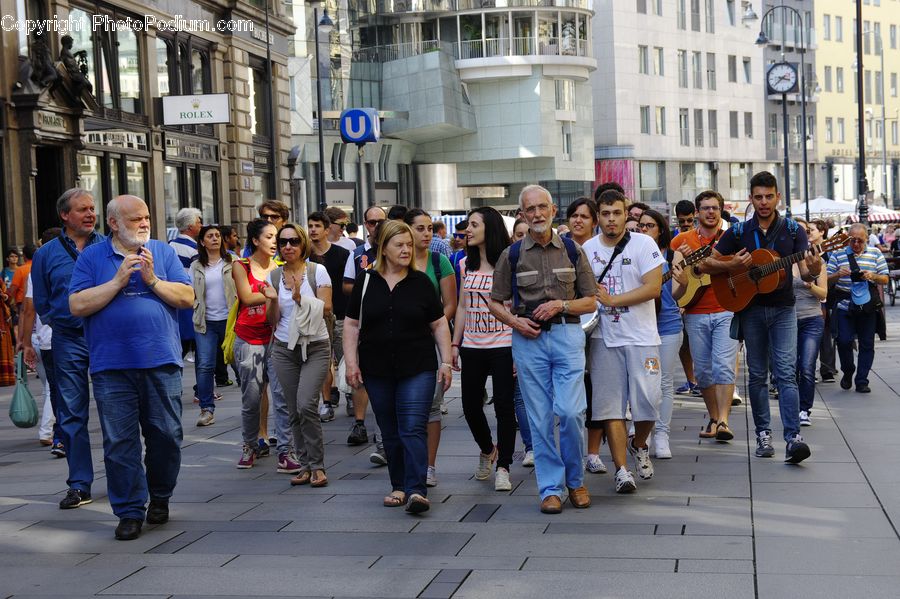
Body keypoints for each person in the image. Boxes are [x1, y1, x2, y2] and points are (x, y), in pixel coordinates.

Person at [68, 195, 193, 540]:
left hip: (161, 361)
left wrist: (152, 279)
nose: (143, 223)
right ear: (113, 223)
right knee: (120, 442)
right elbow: (77, 305)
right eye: (135, 218)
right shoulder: (92, 257)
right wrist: (116, 282)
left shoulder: (163, 252)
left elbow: (187, 298)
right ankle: (129, 511)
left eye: (146, 217)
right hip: (112, 366)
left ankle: (161, 494)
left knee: (167, 436)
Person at [489, 184, 597, 514]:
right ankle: (550, 488)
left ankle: (575, 480)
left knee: (570, 412)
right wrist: (515, 322)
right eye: (529, 209)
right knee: (539, 418)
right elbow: (494, 302)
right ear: (521, 215)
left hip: (566, 335)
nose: (536, 214)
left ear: (552, 210)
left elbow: (591, 299)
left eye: (542, 208)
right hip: (528, 340)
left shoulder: (573, 250)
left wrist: (561, 304)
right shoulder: (513, 255)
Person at [707, 171, 820, 463]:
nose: (764, 202)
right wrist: (733, 262)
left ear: (778, 197)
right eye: (758, 197)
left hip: (784, 308)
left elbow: (806, 273)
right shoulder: (738, 231)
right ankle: (763, 434)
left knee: (786, 373)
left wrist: (815, 267)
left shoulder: (794, 231)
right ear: (751, 198)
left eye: (769, 196)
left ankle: (794, 438)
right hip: (751, 309)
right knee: (756, 374)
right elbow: (708, 262)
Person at [343, 220, 453, 514]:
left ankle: (416, 489)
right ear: (384, 248)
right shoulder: (366, 281)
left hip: (418, 366)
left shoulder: (421, 283)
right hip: (376, 367)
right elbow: (352, 324)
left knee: (413, 426)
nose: (407, 250)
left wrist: (445, 361)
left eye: (409, 244)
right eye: (399, 245)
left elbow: (439, 323)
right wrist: (351, 363)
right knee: (389, 429)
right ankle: (399, 485)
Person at [583, 191, 663, 492]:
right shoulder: (588, 249)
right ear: (598, 216)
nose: (611, 219)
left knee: (650, 402)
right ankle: (622, 471)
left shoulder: (644, 243)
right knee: (609, 408)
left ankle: (639, 443)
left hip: (643, 338)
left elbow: (653, 287)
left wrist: (614, 299)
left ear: (626, 214)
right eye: (605, 213)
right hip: (605, 339)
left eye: (616, 212)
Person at [31, 188, 105, 510]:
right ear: (65, 215)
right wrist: (60, 321)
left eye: (92, 209)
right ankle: (79, 484)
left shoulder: (108, 245)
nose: (90, 214)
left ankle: (120, 478)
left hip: (106, 336)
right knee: (71, 413)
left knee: (115, 409)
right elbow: (43, 301)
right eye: (83, 210)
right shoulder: (47, 254)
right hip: (68, 339)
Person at [451, 207, 516, 491]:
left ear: (489, 228)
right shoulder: (465, 264)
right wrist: (456, 343)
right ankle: (489, 449)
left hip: (504, 344)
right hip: (472, 345)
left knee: (504, 407)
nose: (468, 230)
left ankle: (504, 467)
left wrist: (519, 348)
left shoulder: (510, 262)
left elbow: (517, 307)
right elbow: (464, 305)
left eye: (474, 225)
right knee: (470, 406)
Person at [267, 224, 333, 488]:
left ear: (303, 243)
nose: (288, 246)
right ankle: (305, 465)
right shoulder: (273, 277)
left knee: (306, 404)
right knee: (294, 408)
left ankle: (318, 465)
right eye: (283, 242)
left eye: (294, 241)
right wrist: (272, 301)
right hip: (284, 348)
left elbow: (327, 308)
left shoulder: (318, 272)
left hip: (315, 345)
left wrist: (298, 298)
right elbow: (273, 321)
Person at [671, 191, 739, 444]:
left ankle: (723, 420)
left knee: (723, 366)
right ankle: (713, 417)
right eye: (705, 208)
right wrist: (682, 280)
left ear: (721, 210)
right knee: (703, 371)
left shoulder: (732, 237)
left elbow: (743, 267)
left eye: (715, 208)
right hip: (695, 313)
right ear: (697, 212)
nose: (710, 212)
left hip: (726, 310)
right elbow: (677, 294)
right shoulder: (682, 241)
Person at [232, 218, 297, 473]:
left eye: (277, 238)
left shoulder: (281, 267)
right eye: (270, 237)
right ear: (256, 240)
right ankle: (250, 444)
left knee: (282, 396)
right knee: (252, 397)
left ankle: (286, 451)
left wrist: (277, 295)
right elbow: (246, 298)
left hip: (277, 336)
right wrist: (273, 293)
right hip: (249, 338)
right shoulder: (241, 266)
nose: (276, 243)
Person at [404, 208, 457, 487]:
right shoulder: (399, 260)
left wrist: (435, 324)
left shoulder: (439, 262)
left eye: (429, 229)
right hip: (402, 342)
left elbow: (450, 304)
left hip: (433, 341)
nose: (426, 234)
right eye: (420, 228)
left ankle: (429, 466)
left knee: (432, 406)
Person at [562, 197, 606, 473]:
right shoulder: (560, 247)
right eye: (574, 215)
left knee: (596, 388)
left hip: (599, 324)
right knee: (570, 395)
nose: (578, 220)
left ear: (594, 221)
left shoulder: (601, 249)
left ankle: (593, 452)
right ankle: (570, 450)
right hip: (566, 325)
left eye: (584, 216)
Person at [639, 209, 683, 459]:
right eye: (641, 226)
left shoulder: (673, 256)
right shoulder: (631, 252)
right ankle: (643, 431)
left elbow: (677, 294)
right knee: (645, 382)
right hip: (641, 326)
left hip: (666, 325)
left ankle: (662, 435)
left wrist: (684, 281)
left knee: (665, 382)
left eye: (650, 226)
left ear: (660, 229)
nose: (645, 230)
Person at [343, 205, 387, 452]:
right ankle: (360, 422)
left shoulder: (396, 249)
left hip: (388, 324)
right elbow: (347, 285)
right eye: (371, 222)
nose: (376, 226)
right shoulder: (358, 254)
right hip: (364, 319)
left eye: (380, 221)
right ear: (364, 224)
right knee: (360, 372)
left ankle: (384, 434)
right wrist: (367, 282)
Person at [828, 223, 889, 394]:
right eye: (852, 240)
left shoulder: (875, 253)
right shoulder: (838, 254)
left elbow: (885, 278)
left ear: (867, 240)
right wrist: (837, 275)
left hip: (867, 306)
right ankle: (848, 371)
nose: (855, 244)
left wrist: (872, 276)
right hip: (844, 305)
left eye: (860, 241)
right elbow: (826, 280)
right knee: (843, 340)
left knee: (867, 343)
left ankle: (862, 380)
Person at [308, 211, 352, 421]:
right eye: (310, 226)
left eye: (317, 226)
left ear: (327, 230)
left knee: (345, 357)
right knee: (323, 361)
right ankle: (326, 403)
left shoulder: (342, 255)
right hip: (316, 317)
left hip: (342, 315)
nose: (313, 230)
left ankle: (350, 395)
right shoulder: (304, 256)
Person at [190, 224, 236, 427]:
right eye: (210, 236)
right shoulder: (196, 266)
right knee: (205, 366)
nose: (215, 238)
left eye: (218, 235)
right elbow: (190, 292)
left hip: (231, 320)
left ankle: (254, 407)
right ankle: (206, 409)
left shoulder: (232, 261)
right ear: (202, 241)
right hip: (205, 322)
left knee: (241, 365)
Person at [793, 218, 827, 426]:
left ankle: (804, 409)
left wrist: (809, 285)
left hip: (811, 319)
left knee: (806, 366)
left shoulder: (816, 261)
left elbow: (823, 294)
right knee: (789, 368)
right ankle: (792, 406)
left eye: (806, 231)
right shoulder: (784, 260)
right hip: (786, 319)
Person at [169, 208, 202, 359]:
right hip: (190, 299)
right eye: (198, 222)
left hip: (172, 297)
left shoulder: (169, 246)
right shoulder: (195, 250)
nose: (201, 225)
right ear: (190, 227)